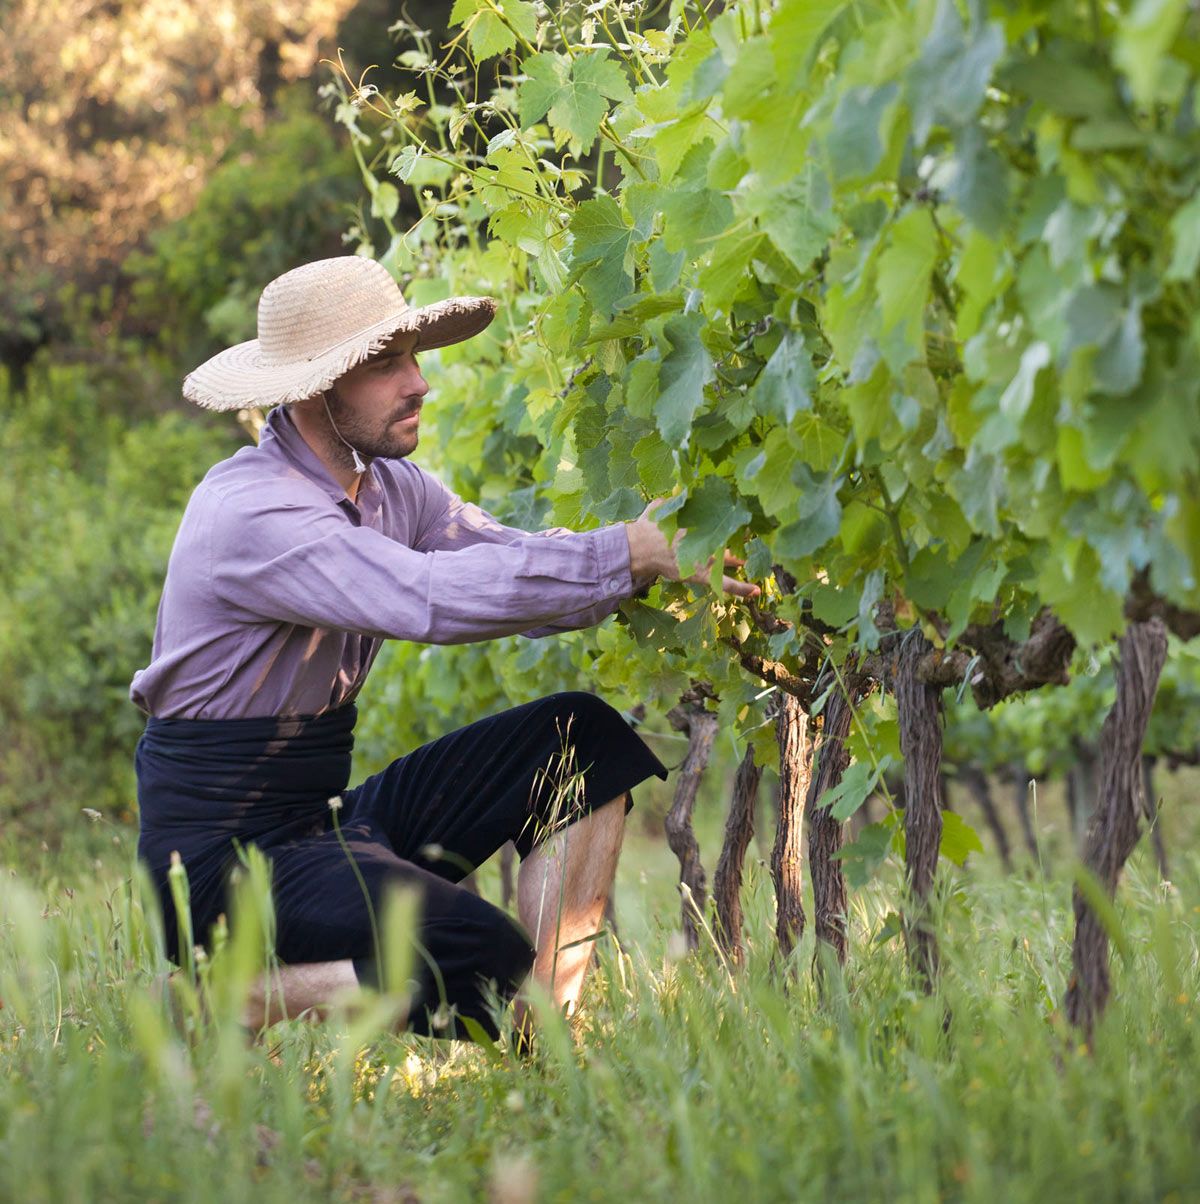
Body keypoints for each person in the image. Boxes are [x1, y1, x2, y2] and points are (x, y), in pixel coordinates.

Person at [129, 256, 759, 1046]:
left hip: (321, 821)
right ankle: (225, 997)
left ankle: (546, 1042)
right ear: (314, 389)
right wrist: (624, 551)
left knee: (583, 738)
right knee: (477, 952)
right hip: (219, 864)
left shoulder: (392, 489)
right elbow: (428, 599)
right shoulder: (252, 511)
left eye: (414, 358)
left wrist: (651, 550)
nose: (419, 382)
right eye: (385, 364)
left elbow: (509, 566)